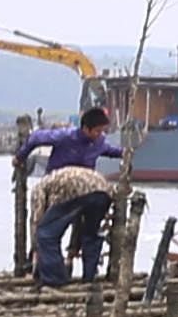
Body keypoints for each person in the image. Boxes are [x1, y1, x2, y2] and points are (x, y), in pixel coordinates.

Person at [21, 105, 121, 285]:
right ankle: (87, 279)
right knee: (90, 234)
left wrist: (36, 242)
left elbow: (36, 219)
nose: (100, 135)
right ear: (85, 128)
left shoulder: (41, 187)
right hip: (99, 189)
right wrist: (20, 156)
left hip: (76, 190)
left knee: (46, 234)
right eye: (97, 131)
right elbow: (36, 137)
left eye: (102, 131)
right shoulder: (66, 136)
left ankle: (55, 280)